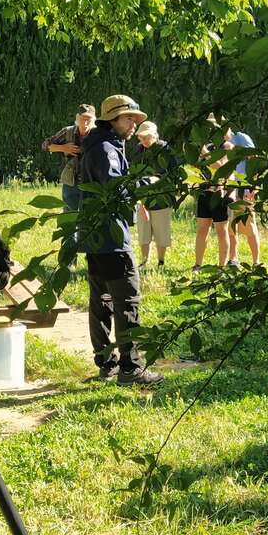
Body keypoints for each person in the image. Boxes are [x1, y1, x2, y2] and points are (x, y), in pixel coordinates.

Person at [80, 94, 163, 386]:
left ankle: (107, 364)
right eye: (129, 119)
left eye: (136, 120)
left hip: (94, 237)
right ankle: (132, 368)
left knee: (101, 301)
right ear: (112, 119)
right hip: (111, 238)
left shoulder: (101, 144)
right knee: (127, 300)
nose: (134, 125)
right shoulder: (106, 149)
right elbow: (116, 189)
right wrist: (145, 183)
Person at [193, 116, 234, 273]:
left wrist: (205, 154)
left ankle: (221, 266)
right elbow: (196, 164)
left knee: (221, 230)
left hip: (219, 194)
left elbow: (221, 167)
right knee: (202, 229)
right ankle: (197, 265)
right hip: (205, 192)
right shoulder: (207, 145)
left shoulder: (227, 146)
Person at [135, 121, 178, 269]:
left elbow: (175, 173)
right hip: (143, 196)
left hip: (162, 197)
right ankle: (144, 261)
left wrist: (159, 179)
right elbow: (133, 173)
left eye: (147, 137)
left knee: (161, 232)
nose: (144, 140)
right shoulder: (138, 150)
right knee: (143, 232)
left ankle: (161, 262)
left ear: (155, 135)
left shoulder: (165, 149)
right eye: (141, 137)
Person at [42, 104, 96, 211]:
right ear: (77, 118)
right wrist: (63, 148)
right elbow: (46, 146)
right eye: (82, 119)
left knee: (90, 217)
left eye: (88, 120)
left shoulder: (98, 134)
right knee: (69, 217)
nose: (85, 123)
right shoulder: (68, 132)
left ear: (94, 120)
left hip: (92, 183)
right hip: (71, 182)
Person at [224, 127, 261, 267]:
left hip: (245, 190)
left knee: (250, 226)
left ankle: (256, 262)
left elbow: (255, 162)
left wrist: (254, 187)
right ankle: (233, 259)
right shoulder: (217, 144)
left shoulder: (241, 138)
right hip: (228, 192)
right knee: (231, 228)